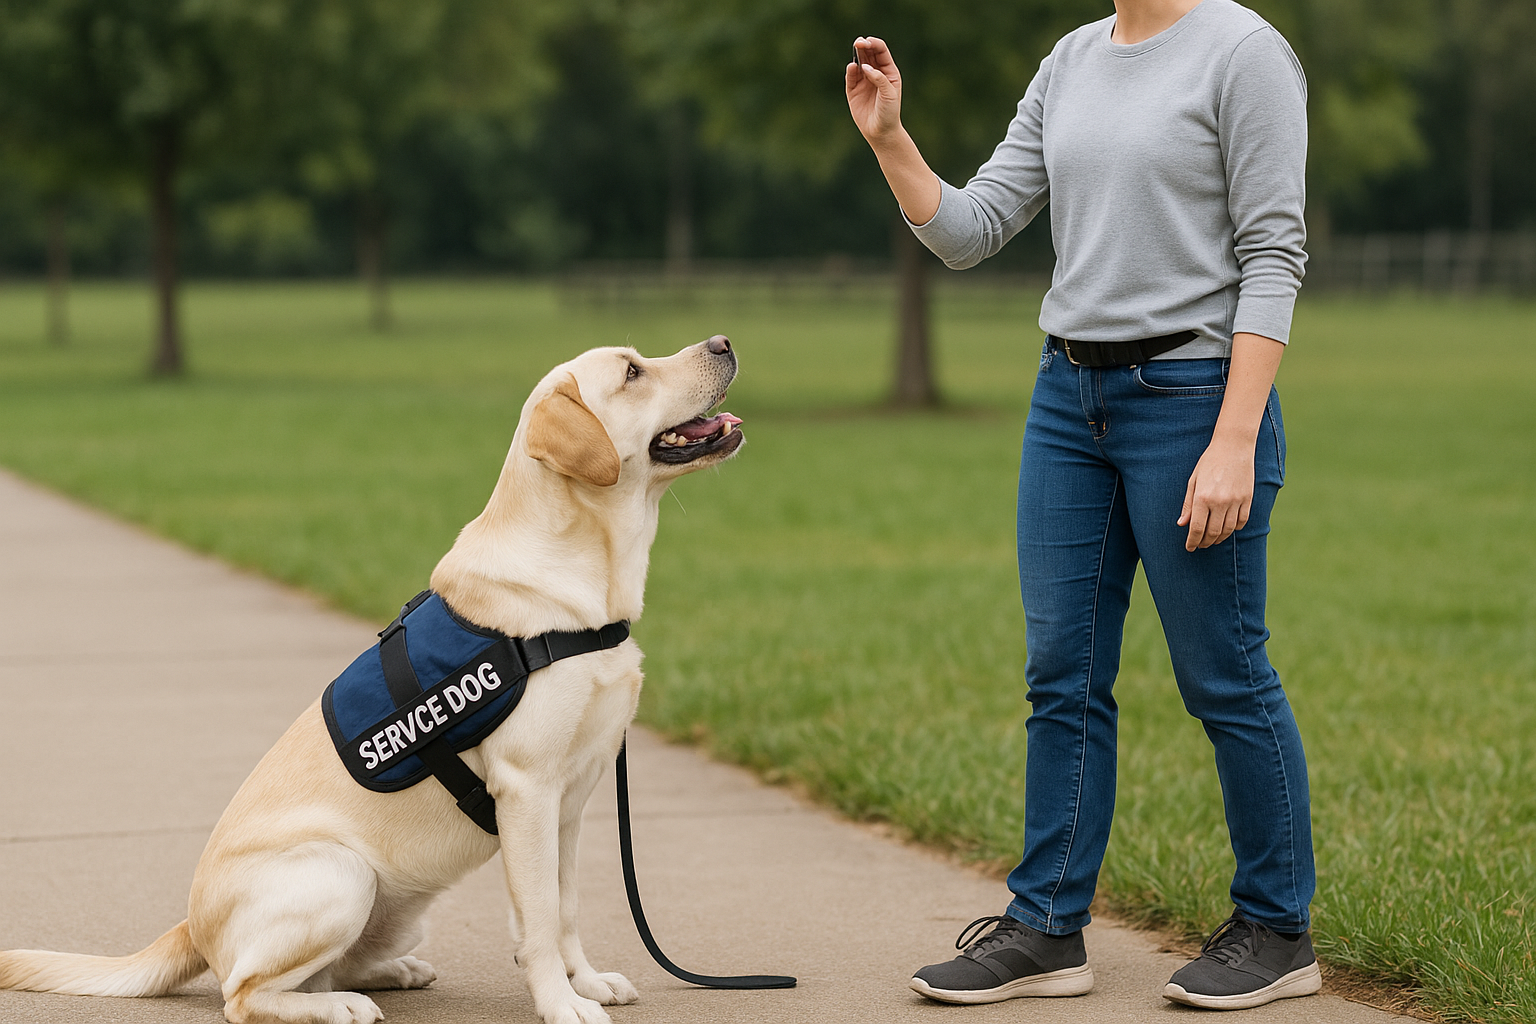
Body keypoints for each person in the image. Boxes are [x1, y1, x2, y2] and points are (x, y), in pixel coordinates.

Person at [846, 0, 1317, 1011]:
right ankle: (1047, 927)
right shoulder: (1070, 60)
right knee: (1061, 674)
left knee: (1223, 675)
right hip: (1069, 402)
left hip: (1192, 402)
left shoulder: (1243, 52)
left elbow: (1275, 253)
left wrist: (1235, 437)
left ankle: (1277, 929)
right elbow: (970, 231)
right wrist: (891, 138)